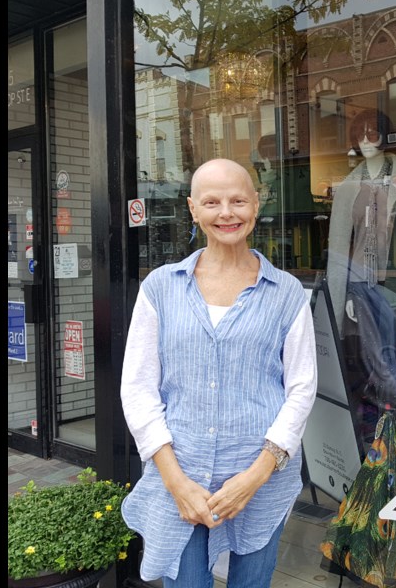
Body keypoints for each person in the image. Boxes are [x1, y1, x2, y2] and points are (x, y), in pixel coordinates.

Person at [120, 158, 317, 587]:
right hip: (181, 478)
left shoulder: (286, 293)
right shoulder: (160, 288)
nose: (226, 212)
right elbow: (137, 388)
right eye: (212, 202)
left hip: (260, 481)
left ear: (256, 204)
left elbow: (301, 390)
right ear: (193, 209)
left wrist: (255, 477)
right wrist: (177, 483)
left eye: (237, 200)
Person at [326, 109, 396, 444]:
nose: (366, 139)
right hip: (357, 281)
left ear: (385, 135)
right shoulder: (349, 186)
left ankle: (394, 417)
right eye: (361, 133)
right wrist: (344, 296)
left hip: (393, 280)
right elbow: (339, 244)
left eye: (373, 132)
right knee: (373, 356)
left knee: (387, 351)